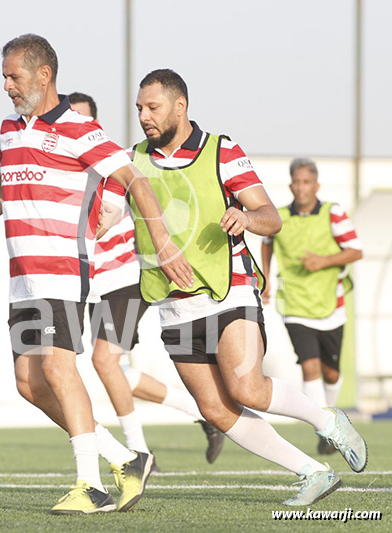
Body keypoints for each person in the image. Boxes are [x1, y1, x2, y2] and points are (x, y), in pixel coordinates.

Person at [0, 35, 194, 515]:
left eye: (15, 76)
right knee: (28, 383)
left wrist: (163, 241)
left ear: (44, 75)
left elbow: (133, 178)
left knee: (57, 366)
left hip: (62, 270)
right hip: (22, 276)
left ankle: (90, 485)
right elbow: (3, 189)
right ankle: (125, 459)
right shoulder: (8, 129)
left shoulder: (80, 129)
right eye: (5, 77)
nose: (7, 86)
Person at [125, 68, 367, 506]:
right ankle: (313, 471)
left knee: (247, 389)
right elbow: (105, 210)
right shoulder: (132, 161)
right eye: (139, 107)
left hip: (229, 293)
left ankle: (327, 419)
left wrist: (246, 218)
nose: (144, 115)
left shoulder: (222, 150)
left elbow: (270, 217)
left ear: (179, 107)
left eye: (152, 107)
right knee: (215, 410)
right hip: (173, 307)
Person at [69, 91, 225, 466]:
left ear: (94, 126)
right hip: (93, 283)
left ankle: (138, 450)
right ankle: (203, 413)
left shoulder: (116, 163)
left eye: (81, 120)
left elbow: (122, 206)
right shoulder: (60, 170)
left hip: (125, 275)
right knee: (117, 369)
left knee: (104, 361)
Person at [261, 158, 363, 455]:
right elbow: (267, 240)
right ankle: (325, 429)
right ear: (291, 184)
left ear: (316, 185)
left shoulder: (334, 213)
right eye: (296, 181)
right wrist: (266, 277)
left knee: (331, 373)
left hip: (331, 305)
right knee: (310, 367)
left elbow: (356, 251)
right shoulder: (279, 216)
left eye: (306, 182)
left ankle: (331, 415)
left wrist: (324, 261)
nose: (300, 187)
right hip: (293, 304)